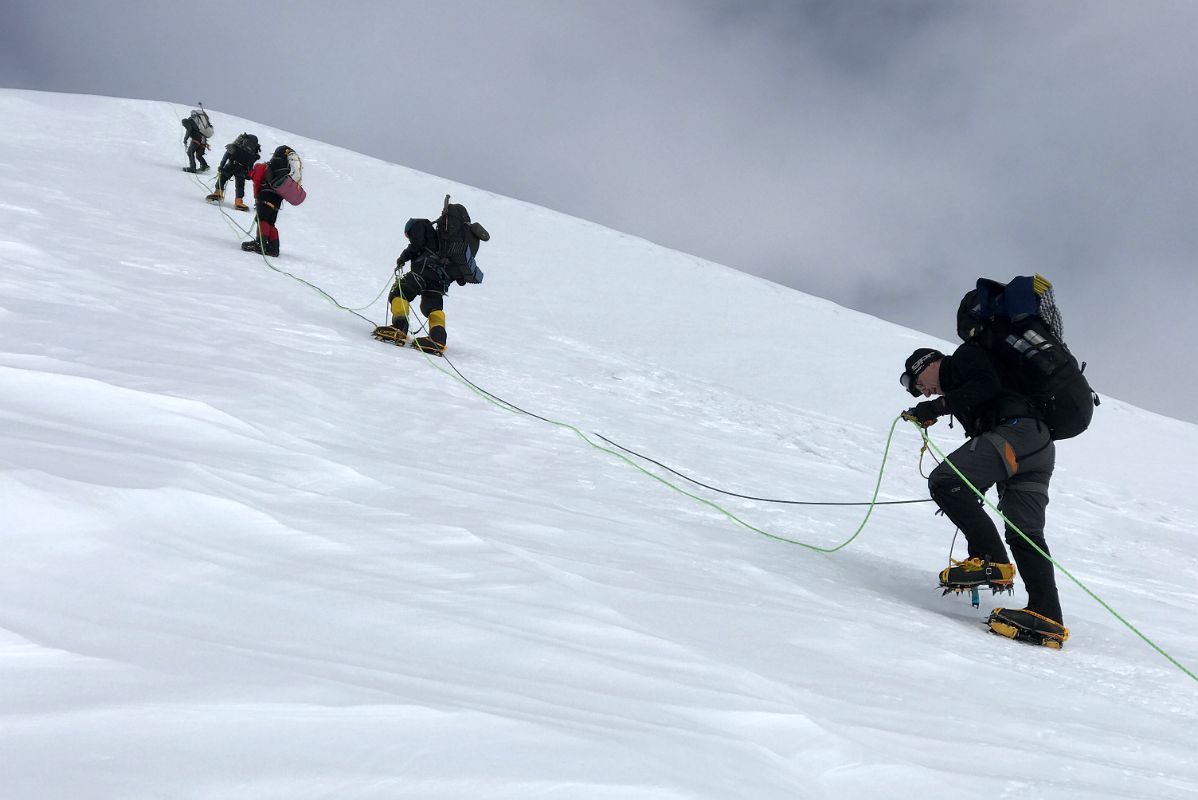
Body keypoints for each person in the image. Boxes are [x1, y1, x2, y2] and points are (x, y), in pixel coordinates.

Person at [900, 345, 1068, 648]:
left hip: (1017, 432)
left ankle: (990, 560)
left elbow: (986, 386)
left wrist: (937, 408)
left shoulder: (966, 357)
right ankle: (1047, 615)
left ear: (929, 363)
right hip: (1037, 447)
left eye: (919, 383)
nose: (924, 392)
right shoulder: (962, 389)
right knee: (1024, 532)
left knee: (944, 480)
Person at [373, 204, 488, 355]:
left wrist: (403, 258)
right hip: (440, 279)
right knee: (432, 307)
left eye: (408, 235)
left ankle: (399, 328)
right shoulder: (444, 239)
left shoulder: (419, 224)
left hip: (425, 270)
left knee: (400, 292)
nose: (409, 237)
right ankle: (437, 339)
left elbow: (416, 245)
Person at [241, 145, 306, 257]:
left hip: (265, 195)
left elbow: (257, 181)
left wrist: (257, 197)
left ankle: (260, 243)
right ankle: (273, 248)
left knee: (262, 219)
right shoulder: (286, 170)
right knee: (271, 222)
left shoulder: (264, 166)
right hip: (278, 198)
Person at [206, 133, 260, 211]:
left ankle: (218, 192)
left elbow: (226, 156)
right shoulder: (253, 153)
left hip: (231, 165)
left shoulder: (235, 146)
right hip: (242, 169)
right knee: (240, 185)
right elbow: (250, 165)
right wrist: (248, 174)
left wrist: (221, 166)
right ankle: (239, 201)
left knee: (222, 177)